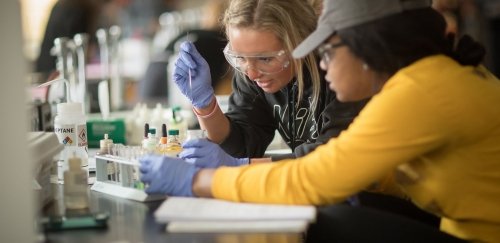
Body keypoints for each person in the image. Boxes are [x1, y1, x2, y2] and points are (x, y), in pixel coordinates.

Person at [139, 0, 500, 242]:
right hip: (462, 228)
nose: (321, 62)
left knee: (325, 221)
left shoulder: (419, 91)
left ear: (366, 48)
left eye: (327, 50)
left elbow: (314, 179)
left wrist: (204, 180)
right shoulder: (424, 81)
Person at [172, 0, 367, 164]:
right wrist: (205, 105)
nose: (252, 74)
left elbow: (328, 160)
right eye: (239, 58)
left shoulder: (338, 73)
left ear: (301, 43)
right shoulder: (252, 72)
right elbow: (243, 146)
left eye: (265, 59)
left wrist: (240, 166)